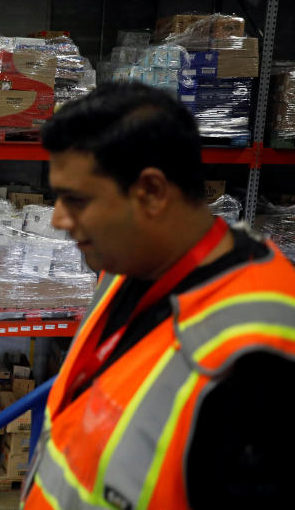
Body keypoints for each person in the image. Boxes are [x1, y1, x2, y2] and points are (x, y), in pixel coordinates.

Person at [20, 83, 295, 510]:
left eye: (76, 199)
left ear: (150, 192)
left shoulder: (257, 360)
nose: (57, 219)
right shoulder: (125, 266)